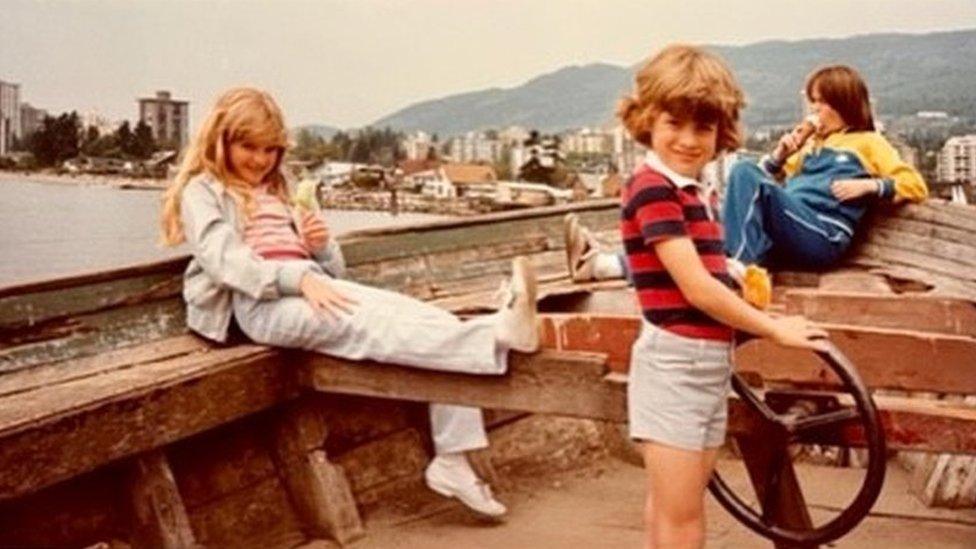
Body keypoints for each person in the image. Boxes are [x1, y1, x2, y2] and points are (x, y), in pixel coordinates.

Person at [160, 87, 539, 519]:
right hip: (258, 305)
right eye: (248, 147)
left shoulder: (277, 191)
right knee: (368, 328)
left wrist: (320, 248)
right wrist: (297, 276)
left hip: (309, 284)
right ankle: (498, 332)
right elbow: (227, 262)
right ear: (219, 140)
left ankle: (452, 458)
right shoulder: (202, 192)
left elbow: (333, 274)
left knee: (423, 317)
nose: (260, 159)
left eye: (270, 149)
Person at [614, 45, 827, 549]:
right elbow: (694, 287)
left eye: (703, 129)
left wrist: (738, 279)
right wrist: (774, 328)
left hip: (706, 362)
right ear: (647, 120)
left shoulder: (692, 190)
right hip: (675, 365)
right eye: (674, 124)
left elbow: (709, 271)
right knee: (681, 519)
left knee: (673, 507)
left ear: (720, 132)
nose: (689, 140)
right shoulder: (652, 188)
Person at [568, 64, 928, 279]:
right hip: (790, 233)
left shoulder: (868, 142)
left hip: (822, 236)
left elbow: (914, 183)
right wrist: (782, 153)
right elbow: (767, 182)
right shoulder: (813, 146)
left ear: (843, 103)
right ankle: (604, 266)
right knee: (704, 245)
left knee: (740, 171)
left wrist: (870, 188)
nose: (814, 110)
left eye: (821, 102)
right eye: (812, 101)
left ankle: (732, 270)